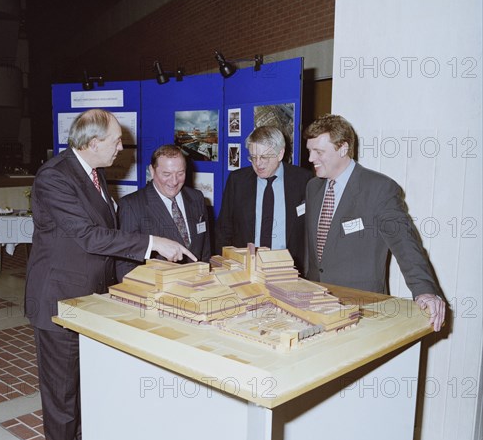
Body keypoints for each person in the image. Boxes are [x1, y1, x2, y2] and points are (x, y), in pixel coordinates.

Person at [25, 110, 196, 440]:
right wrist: (153, 243)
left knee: (87, 384)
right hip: (59, 298)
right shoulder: (55, 176)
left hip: (91, 297)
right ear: (92, 143)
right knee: (62, 392)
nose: (123, 147)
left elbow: (105, 235)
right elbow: (87, 236)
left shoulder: (96, 175)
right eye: (117, 140)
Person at [303, 113, 445, 332]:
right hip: (316, 305)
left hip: (362, 310)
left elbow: (405, 244)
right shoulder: (313, 187)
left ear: (343, 148)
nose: (311, 158)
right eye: (309, 151)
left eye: (319, 152)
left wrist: (424, 290)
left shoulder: (379, 189)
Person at [215, 126, 312, 273]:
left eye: (264, 157)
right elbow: (224, 230)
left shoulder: (304, 180)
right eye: (253, 157)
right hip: (246, 269)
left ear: (280, 154)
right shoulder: (238, 181)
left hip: (289, 270)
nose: (258, 163)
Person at [116, 144, 211, 280]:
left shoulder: (197, 198)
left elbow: (205, 250)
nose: (174, 181)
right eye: (166, 174)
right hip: (158, 292)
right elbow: (125, 267)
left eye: (180, 173)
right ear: (152, 171)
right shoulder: (131, 205)